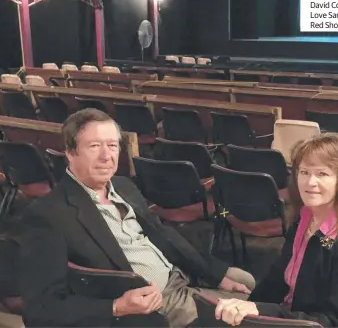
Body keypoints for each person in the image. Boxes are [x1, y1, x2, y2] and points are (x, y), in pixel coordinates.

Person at [15, 108, 255, 327]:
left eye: (112, 145)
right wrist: (117, 306)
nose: (106, 156)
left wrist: (215, 273)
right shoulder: (48, 215)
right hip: (154, 310)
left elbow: (164, 234)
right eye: (94, 146)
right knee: (250, 316)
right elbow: (40, 309)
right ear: (70, 152)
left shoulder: (122, 186)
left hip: (180, 280)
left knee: (249, 286)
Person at [214, 133, 338, 327]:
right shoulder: (304, 216)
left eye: (322, 174)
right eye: (304, 172)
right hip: (292, 317)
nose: (310, 182)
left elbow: (337, 322)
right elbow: (277, 278)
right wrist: (247, 306)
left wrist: (261, 312)